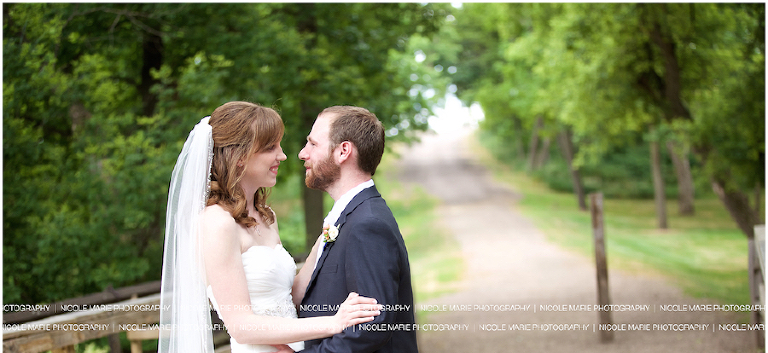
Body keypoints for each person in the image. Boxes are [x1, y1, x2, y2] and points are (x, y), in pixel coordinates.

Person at [159, 101, 382, 353]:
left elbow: (288, 297)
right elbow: (241, 325)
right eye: (270, 147)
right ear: (239, 156)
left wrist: (328, 234)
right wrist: (334, 323)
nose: (283, 155)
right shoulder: (216, 222)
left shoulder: (266, 216)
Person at [295, 106, 419, 353]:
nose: (302, 153)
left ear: (343, 151)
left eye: (312, 144)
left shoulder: (367, 224)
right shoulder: (350, 217)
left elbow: (371, 327)